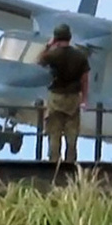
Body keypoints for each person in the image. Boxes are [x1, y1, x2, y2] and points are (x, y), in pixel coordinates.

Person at [37, 23, 90, 163]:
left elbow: (39, 61)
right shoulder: (80, 57)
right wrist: (84, 98)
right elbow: (85, 79)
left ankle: (54, 163)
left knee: (54, 134)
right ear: (70, 37)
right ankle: (70, 164)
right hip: (73, 98)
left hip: (56, 97)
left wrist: (48, 46)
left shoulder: (52, 55)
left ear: (55, 38)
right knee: (72, 137)